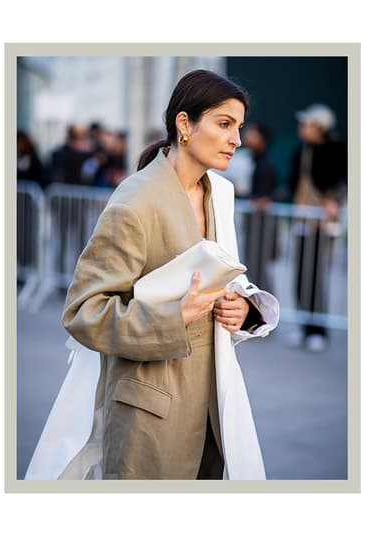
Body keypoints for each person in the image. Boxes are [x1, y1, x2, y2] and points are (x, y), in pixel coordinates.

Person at [55, 70, 279, 479]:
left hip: (215, 405)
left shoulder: (220, 194)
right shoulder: (135, 201)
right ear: (184, 124)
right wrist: (172, 317)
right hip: (150, 414)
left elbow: (226, 279)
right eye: (225, 124)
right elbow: (83, 311)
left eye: (240, 127)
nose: (237, 140)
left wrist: (243, 309)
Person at [287, 104, 347, 352]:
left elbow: (346, 180)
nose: (303, 128)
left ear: (320, 127)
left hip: (324, 222)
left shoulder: (338, 149)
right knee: (301, 272)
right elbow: (292, 181)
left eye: (308, 124)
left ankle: (318, 330)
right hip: (302, 219)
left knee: (316, 275)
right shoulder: (302, 149)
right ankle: (303, 326)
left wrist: (336, 201)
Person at [241, 122, 278, 293]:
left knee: (257, 264)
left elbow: (267, 195)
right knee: (252, 263)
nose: (247, 136)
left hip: (261, 221)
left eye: (253, 134)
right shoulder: (252, 160)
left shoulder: (266, 164)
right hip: (254, 219)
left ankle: (264, 303)